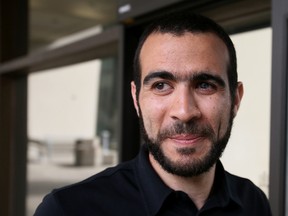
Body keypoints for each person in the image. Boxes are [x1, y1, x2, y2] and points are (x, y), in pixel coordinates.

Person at [34, 12, 272, 215]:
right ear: (136, 99)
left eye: (205, 85)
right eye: (161, 85)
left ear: (236, 99)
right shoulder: (68, 210)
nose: (184, 111)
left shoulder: (253, 202)